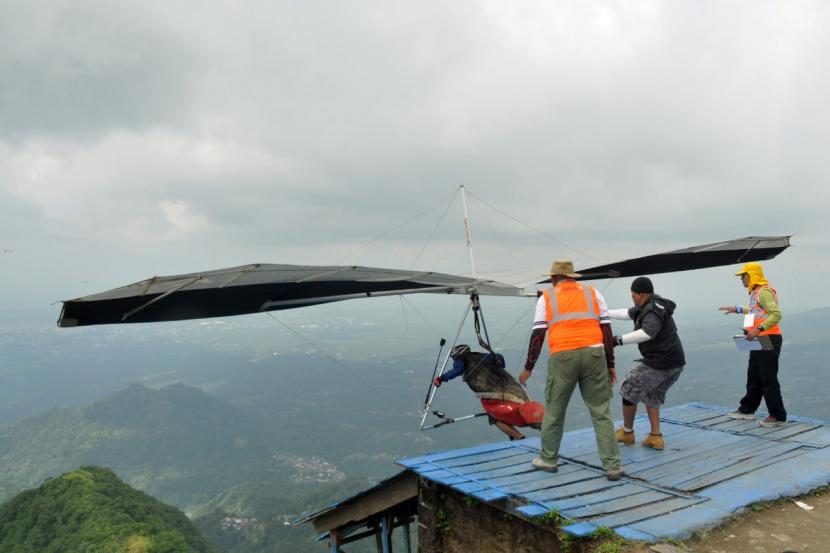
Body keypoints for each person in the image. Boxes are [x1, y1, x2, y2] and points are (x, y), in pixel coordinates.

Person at [519, 260, 624, 481]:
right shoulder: (593, 293)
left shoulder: (547, 297)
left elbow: (538, 335)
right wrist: (610, 365)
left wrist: (529, 367)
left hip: (563, 357)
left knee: (555, 411)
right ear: (572, 277)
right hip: (595, 355)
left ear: (554, 278)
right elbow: (606, 330)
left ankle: (548, 460)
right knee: (601, 412)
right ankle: (612, 466)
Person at [607, 277, 685, 451]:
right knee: (652, 395)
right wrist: (603, 312)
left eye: (633, 294)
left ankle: (627, 432)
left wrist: (617, 340)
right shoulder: (651, 306)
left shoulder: (651, 311)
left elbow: (648, 333)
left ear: (641, 295)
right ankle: (655, 437)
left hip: (661, 361)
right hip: (675, 362)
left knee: (629, 388)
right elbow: (626, 313)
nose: (632, 297)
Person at [718, 262, 786, 428]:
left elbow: (776, 314)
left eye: (744, 275)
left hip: (768, 338)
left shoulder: (764, 292)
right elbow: (755, 311)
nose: (741, 278)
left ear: (752, 275)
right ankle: (747, 409)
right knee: (754, 375)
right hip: (758, 339)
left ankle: (777, 415)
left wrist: (759, 329)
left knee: (768, 378)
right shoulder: (755, 293)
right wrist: (738, 309)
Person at [433, 344, 544, 440]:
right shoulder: (482, 356)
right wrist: (498, 359)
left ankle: (519, 437)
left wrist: (441, 378)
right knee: (522, 408)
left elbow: (457, 370)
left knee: (493, 417)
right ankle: (544, 426)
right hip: (512, 388)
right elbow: (500, 359)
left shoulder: (462, 360)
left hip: (494, 395)